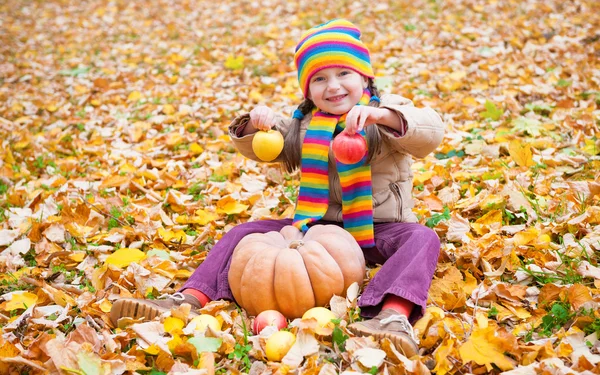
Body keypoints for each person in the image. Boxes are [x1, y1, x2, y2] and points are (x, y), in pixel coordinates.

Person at [111, 19, 445, 358]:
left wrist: (384, 117)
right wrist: (254, 124)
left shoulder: (386, 112)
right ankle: (188, 300)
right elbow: (261, 145)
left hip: (380, 229)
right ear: (307, 90)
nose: (333, 87)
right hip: (318, 232)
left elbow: (430, 131)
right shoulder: (305, 125)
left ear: (364, 77)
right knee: (244, 233)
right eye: (319, 79)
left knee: (423, 238)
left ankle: (392, 316)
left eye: (344, 74)